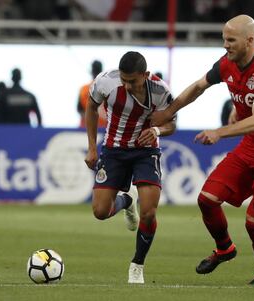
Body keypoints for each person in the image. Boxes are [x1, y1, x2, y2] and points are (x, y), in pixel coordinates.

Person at [151, 15, 254, 285]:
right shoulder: (226, 64)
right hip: (250, 148)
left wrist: (218, 132)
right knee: (207, 199)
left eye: (230, 40)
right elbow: (198, 87)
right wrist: (169, 112)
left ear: (249, 41)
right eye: (224, 39)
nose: (225, 45)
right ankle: (225, 249)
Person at [84, 51, 176, 284]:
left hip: (146, 152)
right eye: (123, 79)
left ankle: (137, 265)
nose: (126, 85)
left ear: (145, 75)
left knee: (149, 211)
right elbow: (91, 107)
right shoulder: (106, 81)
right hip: (114, 150)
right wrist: (92, 147)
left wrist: (156, 131)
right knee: (100, 212)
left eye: (132, 81)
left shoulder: (160, 91)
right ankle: (126, 200)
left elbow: (171, 123)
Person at [77, 60, 107, 128]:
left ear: (91, 72)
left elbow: (79, 109)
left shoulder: (84, 89)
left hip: (87, 128)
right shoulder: (108, 89)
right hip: (104, 129)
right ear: (102, 72)